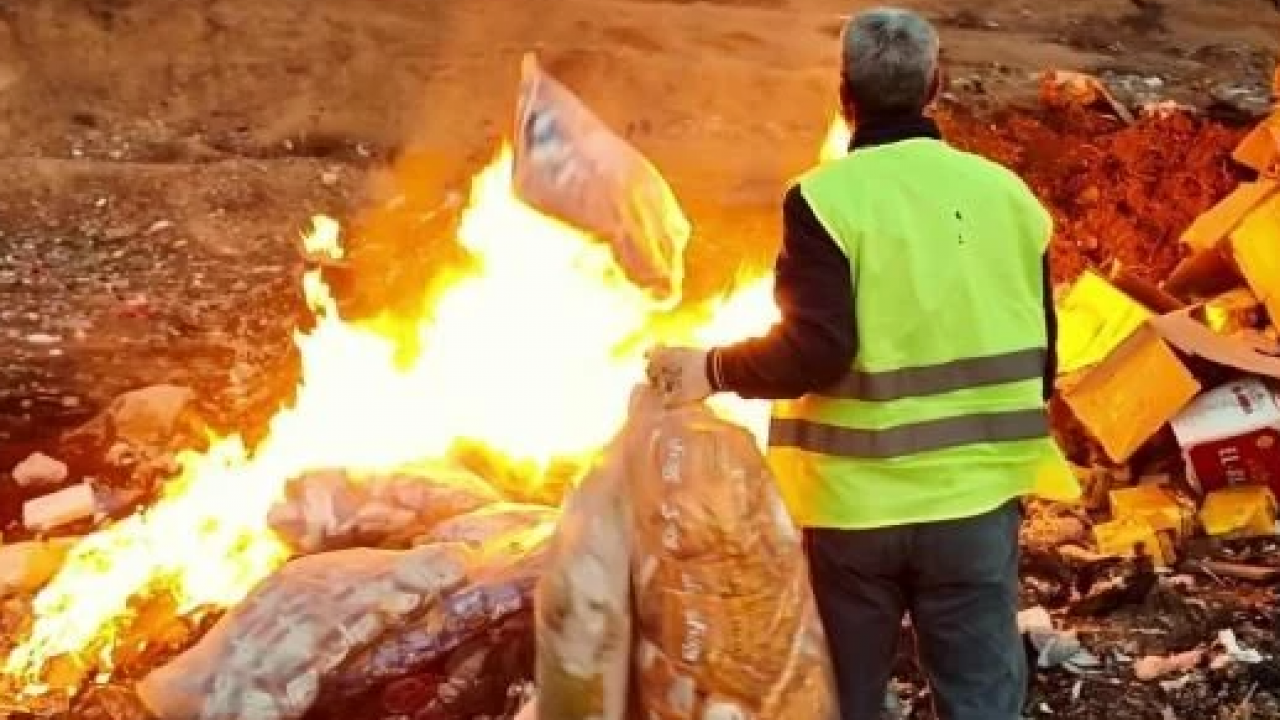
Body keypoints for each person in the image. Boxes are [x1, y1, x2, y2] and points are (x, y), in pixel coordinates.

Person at [645, 7, 1073, 720]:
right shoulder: (1007, 196)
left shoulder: (823, 199)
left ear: (844, 93)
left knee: (840, 699)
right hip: (974, 504)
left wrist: (710, 370)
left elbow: (817, 350)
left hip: (856, 514)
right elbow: (1044, 354)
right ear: (937, 85)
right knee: (981, 701)